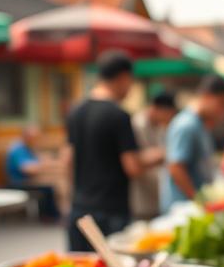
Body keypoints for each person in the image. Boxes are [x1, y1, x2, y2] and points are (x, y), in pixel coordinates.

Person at [64, 51, 163, 250]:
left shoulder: (76, 110)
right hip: (111, 211)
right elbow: (132, 167)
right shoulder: (119, 115)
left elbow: (68, 159)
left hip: (79, 209)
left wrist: (70, 200)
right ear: (123, 77)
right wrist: (158, 156)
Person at [162, 75, 224, 211]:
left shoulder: (200, 124)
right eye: (222, 104)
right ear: (207, 96)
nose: (223, 111)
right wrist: (197, 200)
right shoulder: (186, 125)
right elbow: (176, 167)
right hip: (182, 209)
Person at [130, 90, 176, 220]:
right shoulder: (136, 125)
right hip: (140, 200)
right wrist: (166, 153)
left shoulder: (160, 127)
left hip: (156, 197)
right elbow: (135, 160)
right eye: (168, 114)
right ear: (157, 109)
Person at [5, 125, 60, 218]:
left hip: (28, 179)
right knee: (51, 186)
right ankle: (50, 216)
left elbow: (39, 161)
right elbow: (27, 169)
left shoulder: (28, 148)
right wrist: (45, 165)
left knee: (55, 180)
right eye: (35, 138)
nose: (37, 140)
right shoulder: (18, 149)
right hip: (20, 182)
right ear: (27, 137)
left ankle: (54, 214)